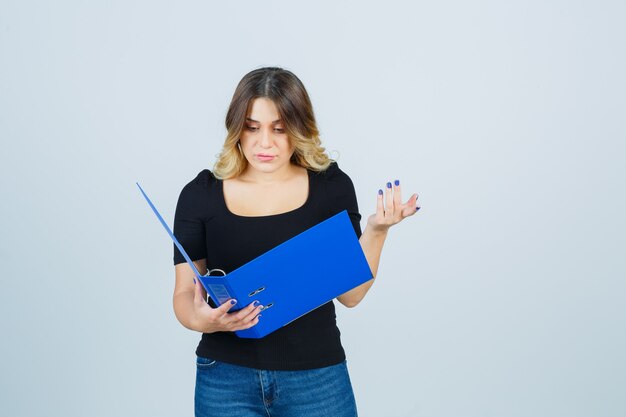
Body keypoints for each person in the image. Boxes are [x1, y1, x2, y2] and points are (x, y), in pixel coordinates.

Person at [172, 67, 420, 417]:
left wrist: (377, 231)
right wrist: (206, 321)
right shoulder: (201, 195)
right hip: (225, 380)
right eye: (252, 127)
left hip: (316, 379)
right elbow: (184, 296)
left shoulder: (331, 188)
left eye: (279, 128)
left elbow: (351, 295)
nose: (265, 143)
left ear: (299, 128)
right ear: (236, 128)